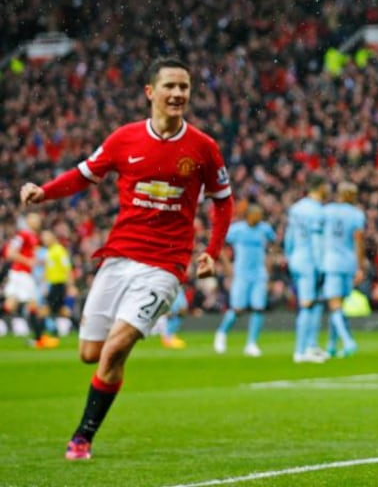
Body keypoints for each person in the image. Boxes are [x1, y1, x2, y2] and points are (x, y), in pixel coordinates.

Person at [20, 57, 233, 461]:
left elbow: (224, 202)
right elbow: (84, 174)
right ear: (150, 92)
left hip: (166, 266)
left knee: (115, 348)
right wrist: (44, 192)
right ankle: (109, 376)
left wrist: (211, 251)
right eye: (170, 86)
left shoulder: (203, 148)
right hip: (119, 258)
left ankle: (82, 436)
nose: (178, 94)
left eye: (184, 87)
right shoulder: (124, 139)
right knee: (91, 354)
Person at [215, 204, 277, 357]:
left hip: (259, 274)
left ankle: (251, 343)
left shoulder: (265, 229)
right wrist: (227, 265)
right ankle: (222, 333)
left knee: (258, 308)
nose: (259, 218)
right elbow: (220, 245)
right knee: (238, 309)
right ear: (248, 216)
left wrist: (269, 264)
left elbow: (273, 246)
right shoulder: (237, 229)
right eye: (256, 215)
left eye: (260, 215)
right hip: (241, 274)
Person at [284, 175, 327, 364]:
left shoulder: (296, 208)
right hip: (310, 260)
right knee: (308, 304)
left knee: (314, 303)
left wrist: (289, 256)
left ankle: (311, 345)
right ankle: (300, 350)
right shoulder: (317, 211)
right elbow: (316, 241)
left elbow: (289, 236)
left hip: (297, 258)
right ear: (319, 188)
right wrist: (320, 266)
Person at [320, 181, 364, 358]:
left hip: (331, 261)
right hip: (348, 262)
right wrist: (360, 266)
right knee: (337, 305)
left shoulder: (327, 211)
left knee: (334, 304)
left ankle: (348, 341)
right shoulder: (356, 214)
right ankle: (331, 345)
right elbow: (358, 241)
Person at [2, 213, 50, 347]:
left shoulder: (33, 236)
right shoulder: (23, 234)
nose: (38, 221)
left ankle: (38, 338)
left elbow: (28, 255)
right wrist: (27, 261)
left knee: (10, 305)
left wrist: (36, 261)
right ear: (28, 221)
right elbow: (10, 253)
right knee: (34, 305)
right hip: (21, 274)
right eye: (35, 219)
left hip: (21, 274)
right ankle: (39, 339)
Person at [36, 229, 77, 348]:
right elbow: (47, 270)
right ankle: (81, 330)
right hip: (53, 286)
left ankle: (38, 339)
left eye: (47, 237)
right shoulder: (49, 251)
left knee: (43, 311)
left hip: (59, 285)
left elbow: (67, 268)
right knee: (63, 311)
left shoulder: (59, 250)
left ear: (53, 237)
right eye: (43, 237)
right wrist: (44, 285)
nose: (45, 240)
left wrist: (71, 286)